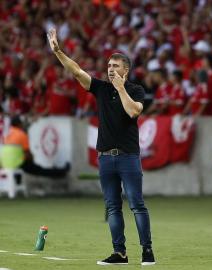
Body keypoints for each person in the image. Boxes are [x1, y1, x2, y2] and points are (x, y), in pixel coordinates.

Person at [47, 29, 155, 266]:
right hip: (105, 158)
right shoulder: (101, 88)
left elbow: (134, 111)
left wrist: (121, 88)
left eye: (115, 65)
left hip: (128, 157)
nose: (110, 68)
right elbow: (76, 71)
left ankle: (147, 250)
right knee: (113, 208)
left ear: (125, 70)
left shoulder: (136, 90)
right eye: (108, 64)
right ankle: (120, 253)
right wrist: (58, 51)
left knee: (137, 204)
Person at [0, 116, 69, 178]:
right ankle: (60, 172)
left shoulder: (6, 133)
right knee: (39, 169)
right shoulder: (21, 134)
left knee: (25, 165)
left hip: (4, 163)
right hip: (17, 163)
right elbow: (27, 154)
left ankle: (17, 182)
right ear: (19, 124)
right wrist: (32, 160)